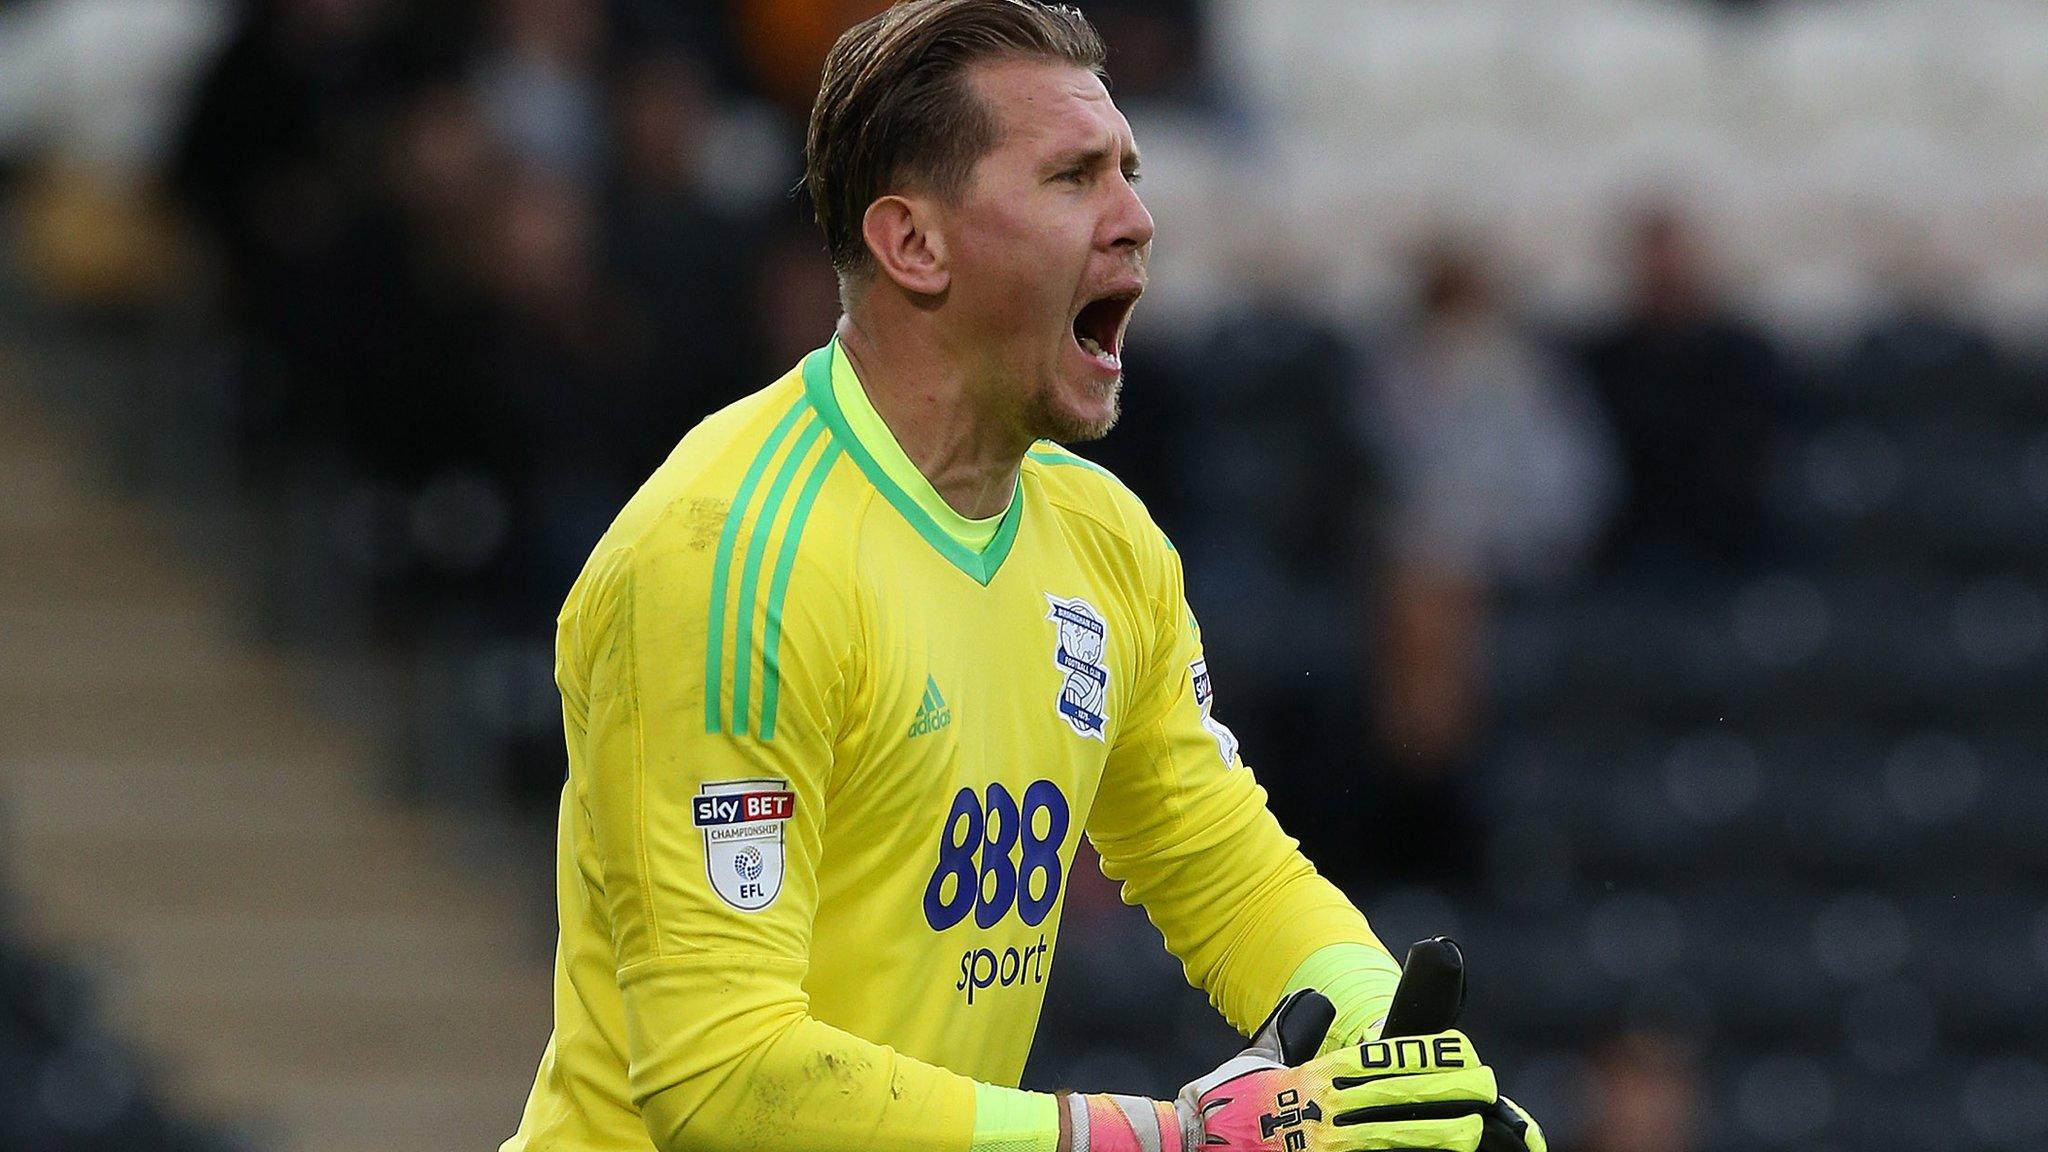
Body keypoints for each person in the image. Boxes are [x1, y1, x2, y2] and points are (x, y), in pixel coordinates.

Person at [499, 5, 1545, 1152]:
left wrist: (1397, 1057)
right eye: (1071, 177)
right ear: (914, 245)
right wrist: (1164, 1140)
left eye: (1129, 174)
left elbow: (1221, 867)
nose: (1138, 220)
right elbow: (722, 1081)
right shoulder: (728, 559)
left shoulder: (1101, 541)